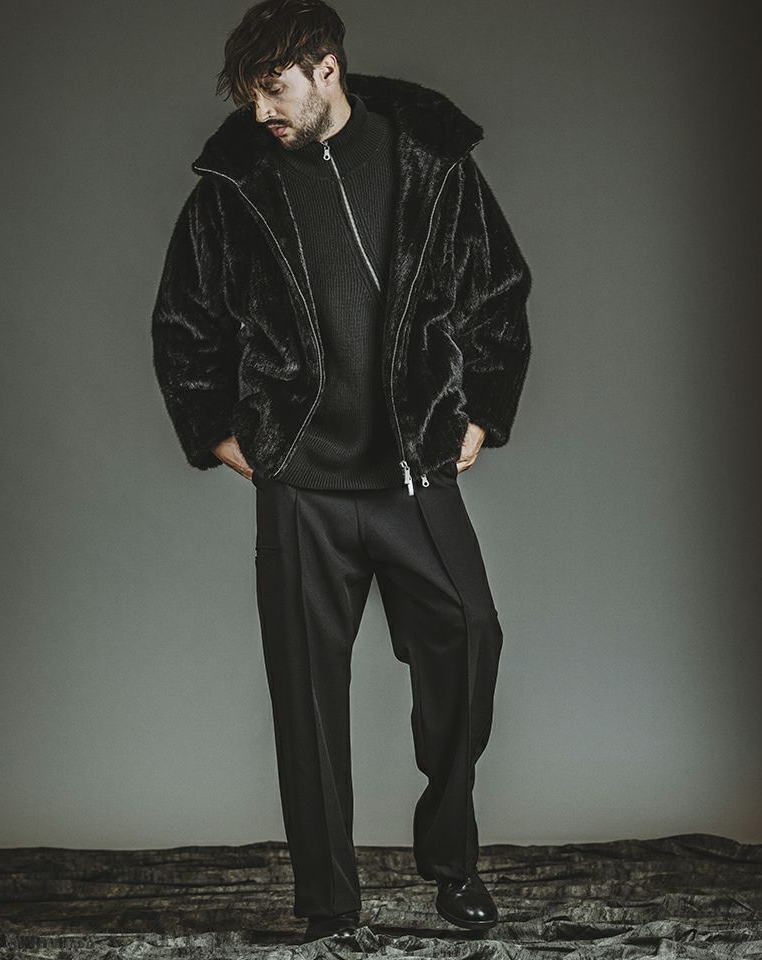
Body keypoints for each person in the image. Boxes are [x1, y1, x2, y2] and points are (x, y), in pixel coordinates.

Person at [151, 0, 532, 944]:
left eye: (274, 90)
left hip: (411, 473)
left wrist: (483, 408)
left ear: (326, 69)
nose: (260, 113)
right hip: (302, 486)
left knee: (470, 639)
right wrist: (217, 432)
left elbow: (497, 286)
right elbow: (185, 317)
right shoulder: (234, 186)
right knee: (307, 699)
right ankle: (329, 904)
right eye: (248, 96)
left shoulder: (430, 162)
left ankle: (452, 862)